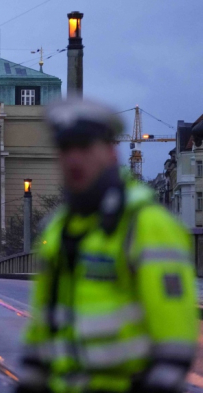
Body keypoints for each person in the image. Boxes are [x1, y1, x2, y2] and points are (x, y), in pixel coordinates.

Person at [16, 99, 198, 393]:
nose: (74, 159)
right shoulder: (58, 228)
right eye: (66, 149)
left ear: (110, 152)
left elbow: (175, 338)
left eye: (85, 147)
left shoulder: (147, 225)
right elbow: (44, 327)